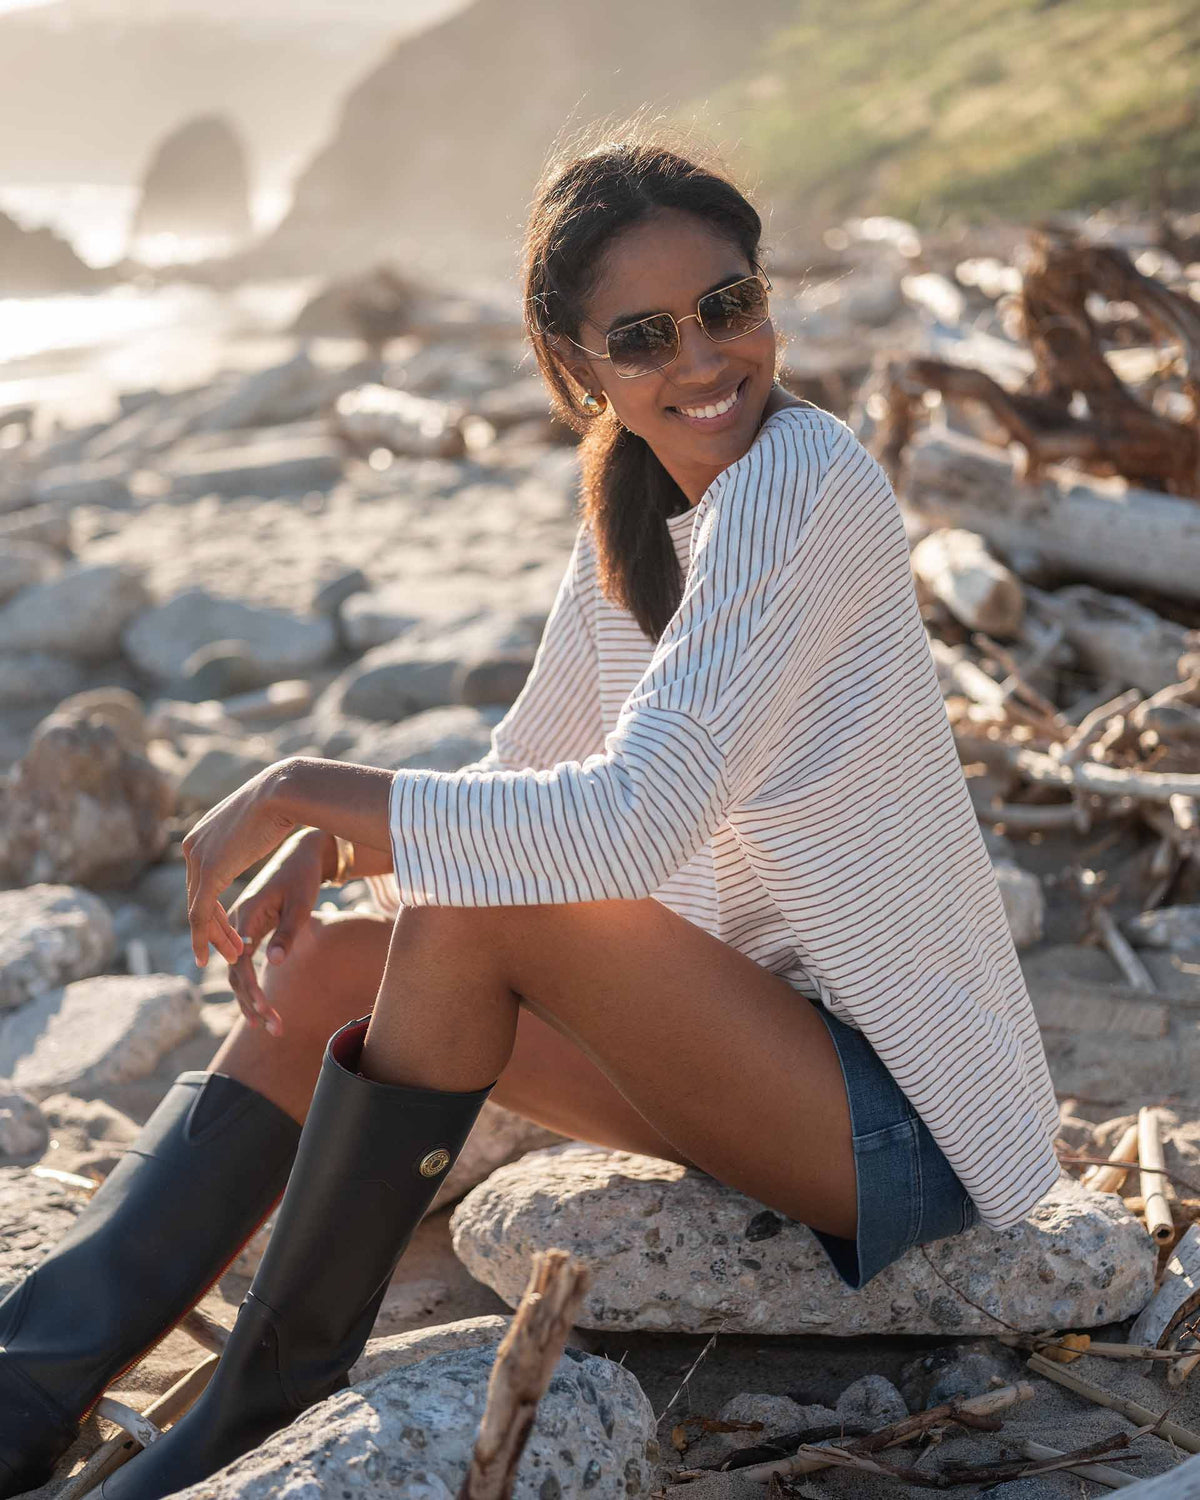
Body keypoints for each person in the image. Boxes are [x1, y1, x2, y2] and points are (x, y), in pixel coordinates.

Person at [0, 125, 1061, 1500]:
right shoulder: (635, 510)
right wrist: (355, 848)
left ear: (767, 301)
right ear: (579, 368)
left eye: (728, 306)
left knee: (462, 902)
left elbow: (629, 825)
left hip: (902, 1128)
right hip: (751, 1057)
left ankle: (248, 1416)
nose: (701, 359)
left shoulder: (805, 479)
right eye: (643, 335)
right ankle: (30, 1379)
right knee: (328, 967)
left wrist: (317, 790)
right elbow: (522, 777)